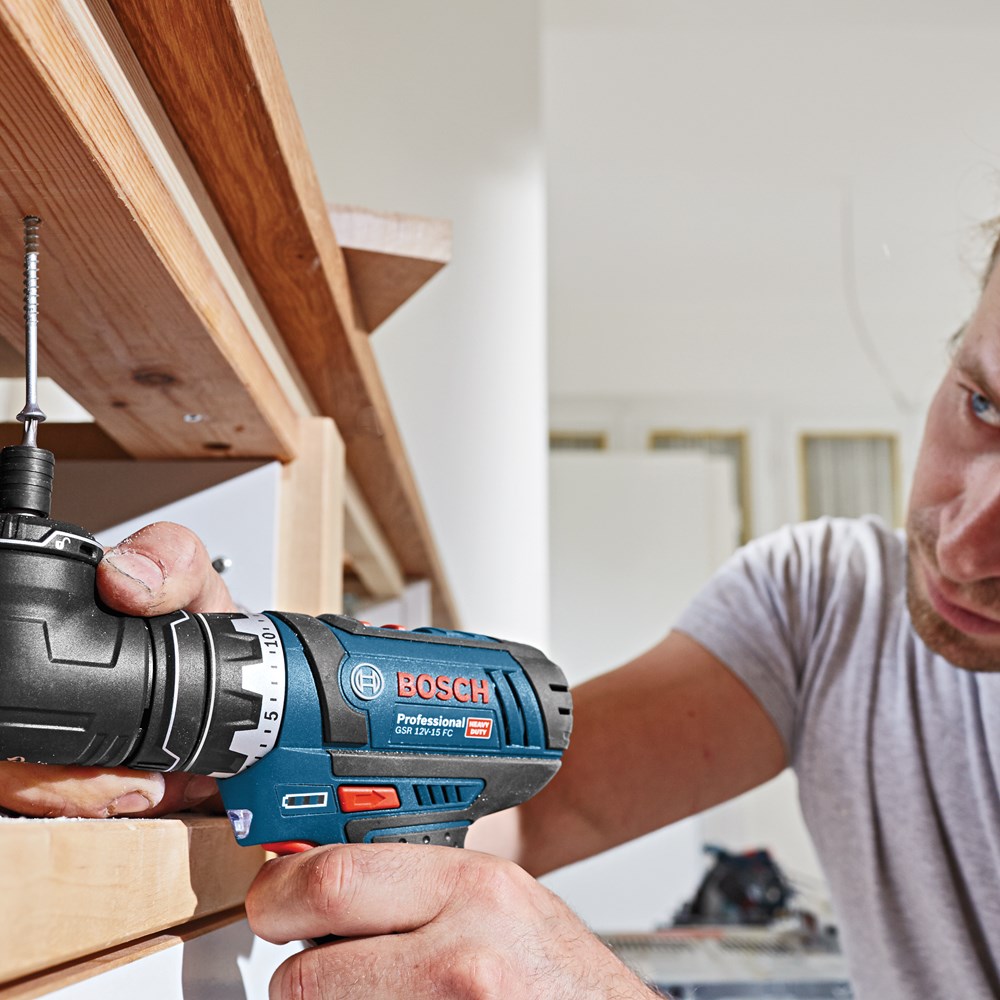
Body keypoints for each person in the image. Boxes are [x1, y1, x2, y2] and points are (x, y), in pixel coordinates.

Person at [6, 247, 1000, 999]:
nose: (962, 545)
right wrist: (223, 711)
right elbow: (542, 807)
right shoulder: (829, 601)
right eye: (984, 407)